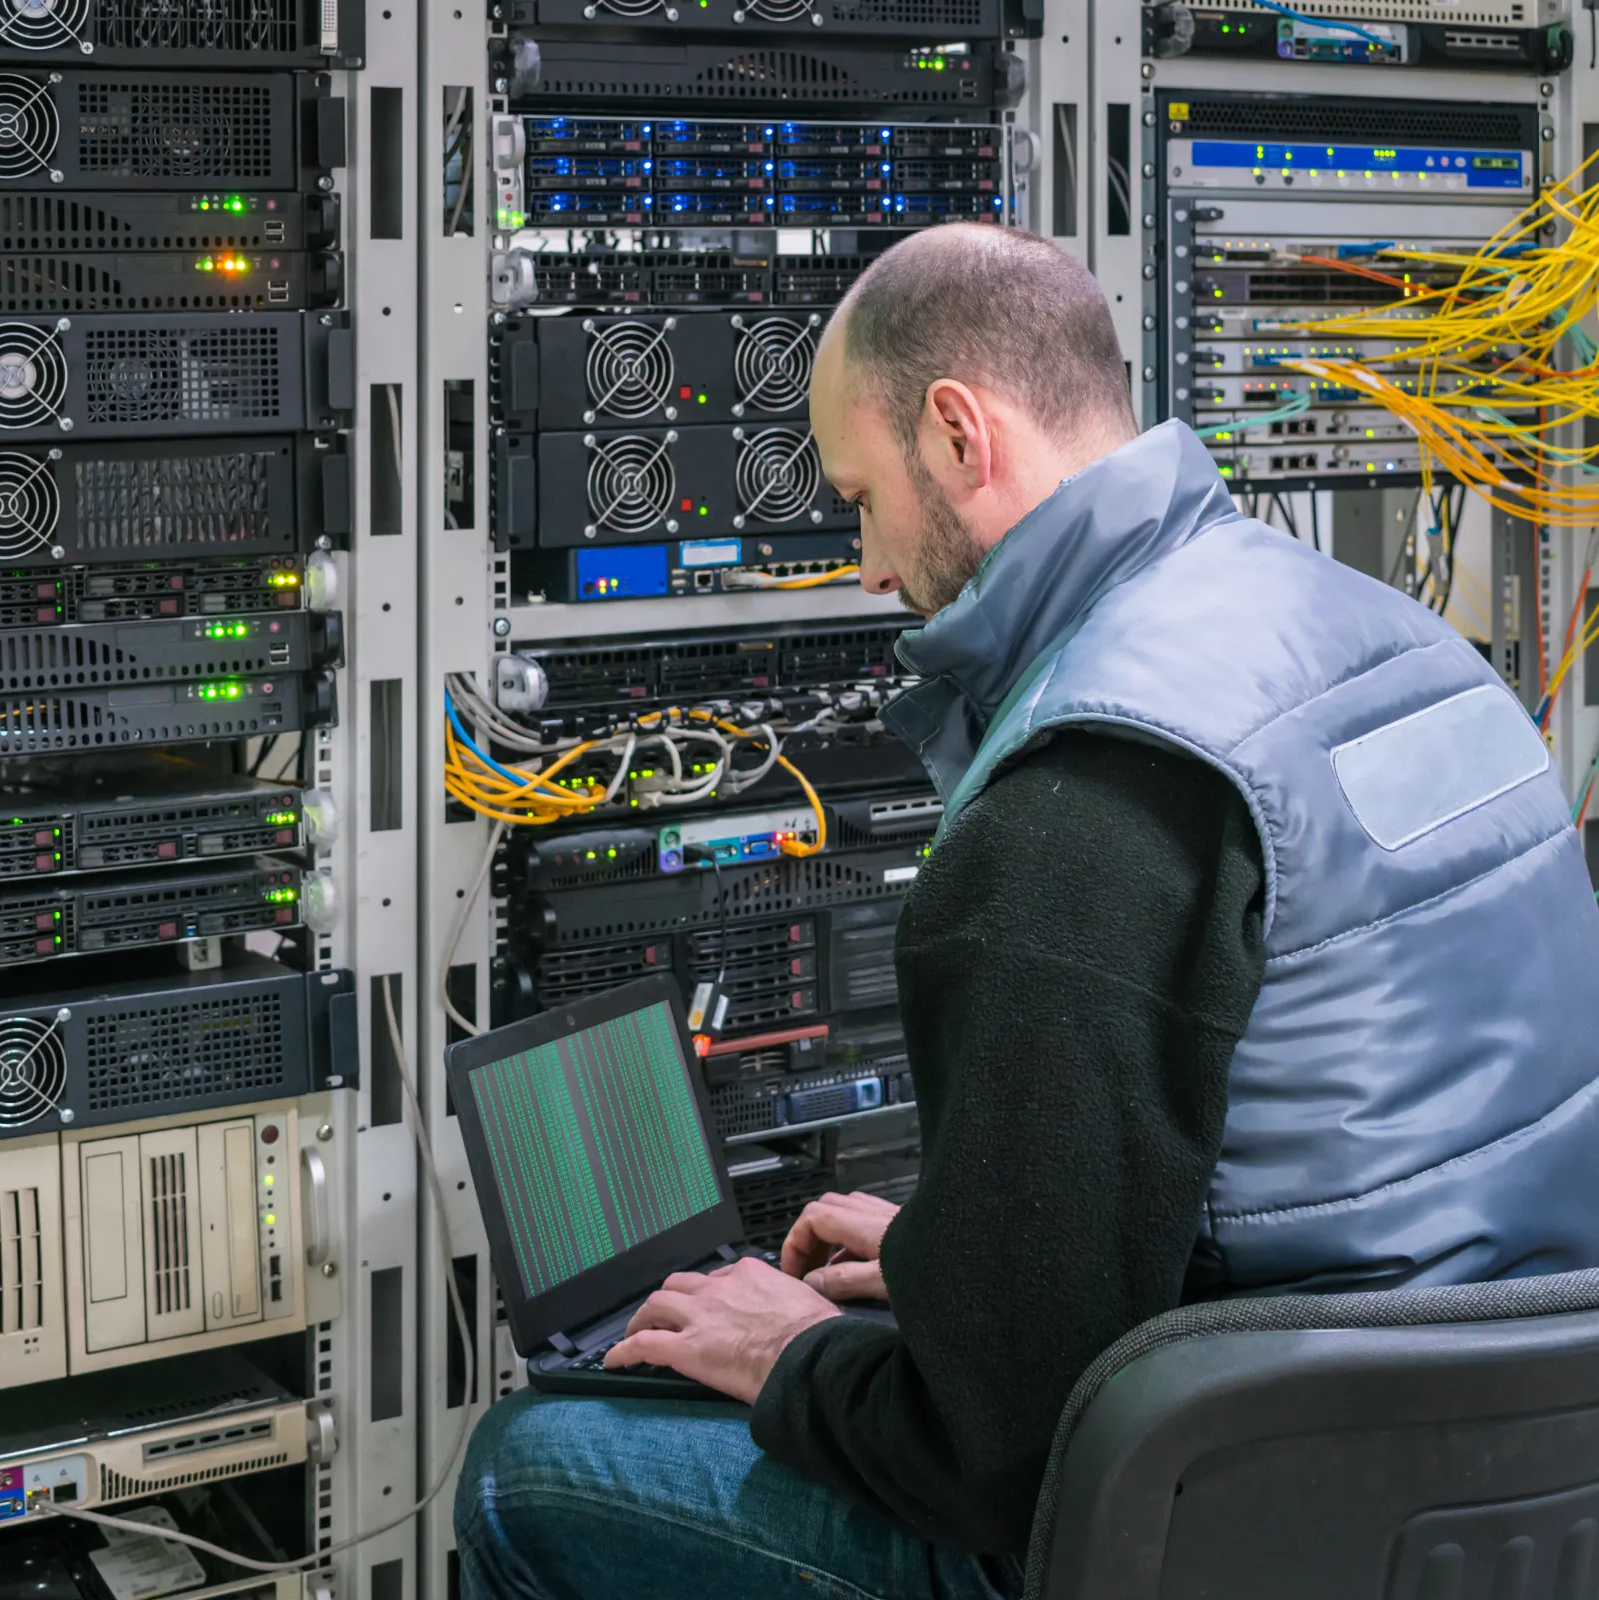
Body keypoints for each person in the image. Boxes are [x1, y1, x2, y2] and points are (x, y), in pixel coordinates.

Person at [454, 225, 1599, 1600]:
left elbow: (985, 1459)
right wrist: (966, 1264)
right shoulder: (1406, 647)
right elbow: (1334, 1156)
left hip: (1244, 1512)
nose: (870, 566)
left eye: (861, 498)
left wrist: (787, 1352)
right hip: (1511, 1475)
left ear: (956, 436)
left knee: (531, 1463)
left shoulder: (1084, 799)